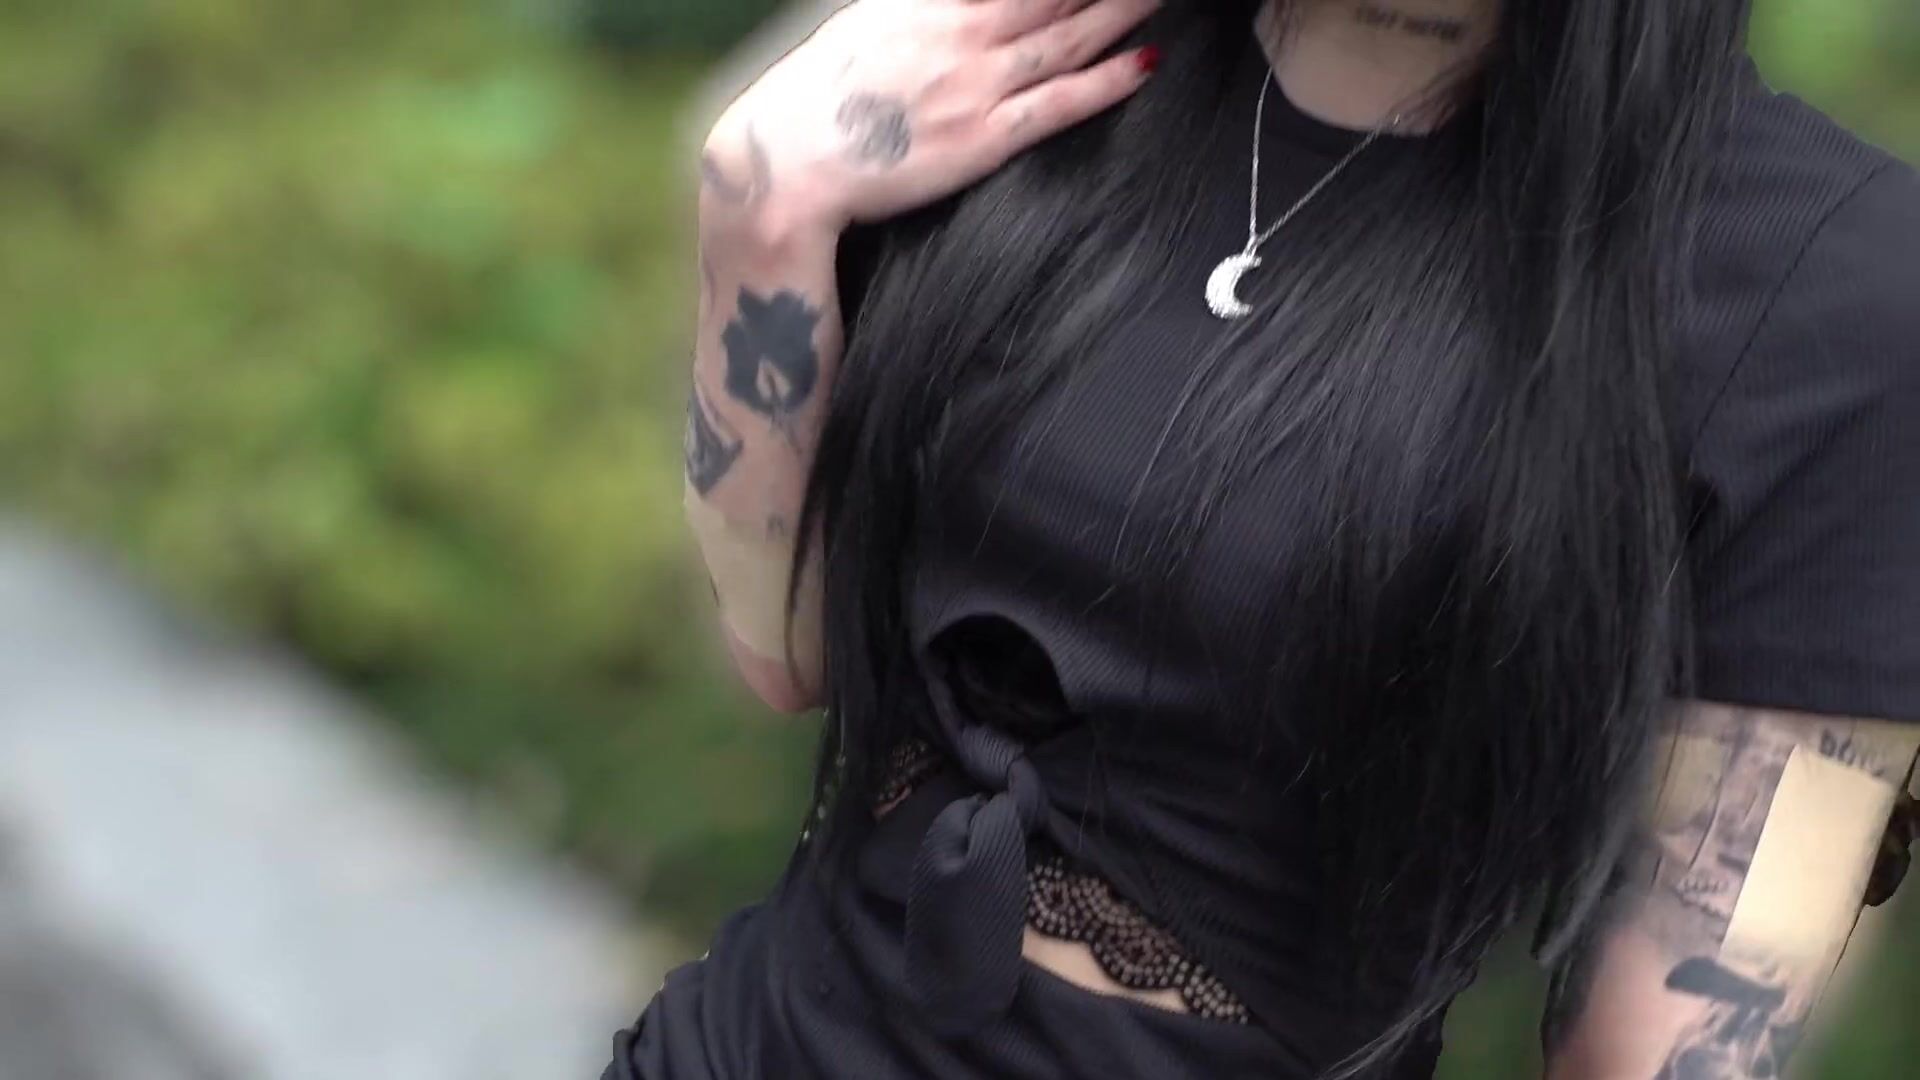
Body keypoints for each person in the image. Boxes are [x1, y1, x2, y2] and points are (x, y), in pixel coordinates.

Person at [625, 0, 1920, 1076]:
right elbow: (788, 645)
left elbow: (1659, 1055)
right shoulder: (1040, 53)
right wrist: (765, 211)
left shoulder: (1829, 294)